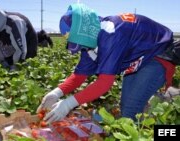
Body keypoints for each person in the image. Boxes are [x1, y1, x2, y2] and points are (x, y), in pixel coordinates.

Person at [37, 3, 175, 123]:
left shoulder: (111, 33)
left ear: (87, 33)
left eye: (79, 42)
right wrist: (56, 93)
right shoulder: (90, 42)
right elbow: (80, 75)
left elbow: (104, 84)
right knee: (127, 105)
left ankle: (170, 100)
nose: (81, 48)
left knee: (129, 110)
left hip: (158, 55)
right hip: (137, 59)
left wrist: (68, 104)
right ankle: (152, 103)